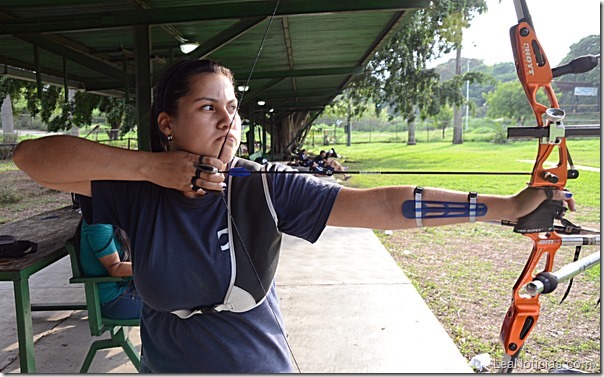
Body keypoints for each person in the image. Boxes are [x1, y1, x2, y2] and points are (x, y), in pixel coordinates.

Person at [13, 59, 574, 373]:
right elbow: (32, 158)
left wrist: (506, 208)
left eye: (231, 108)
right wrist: (151, 170)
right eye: (207, 108)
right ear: (167, 123)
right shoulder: (135, 189)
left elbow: (379, 204)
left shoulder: (261, 185)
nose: (227, 122)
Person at [79, 220, 142, 320]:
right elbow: (115, 268)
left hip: (130, 287)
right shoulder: (98, 224)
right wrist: (155, 268)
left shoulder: (118, 217)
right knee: (172, 304)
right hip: (116, 300)